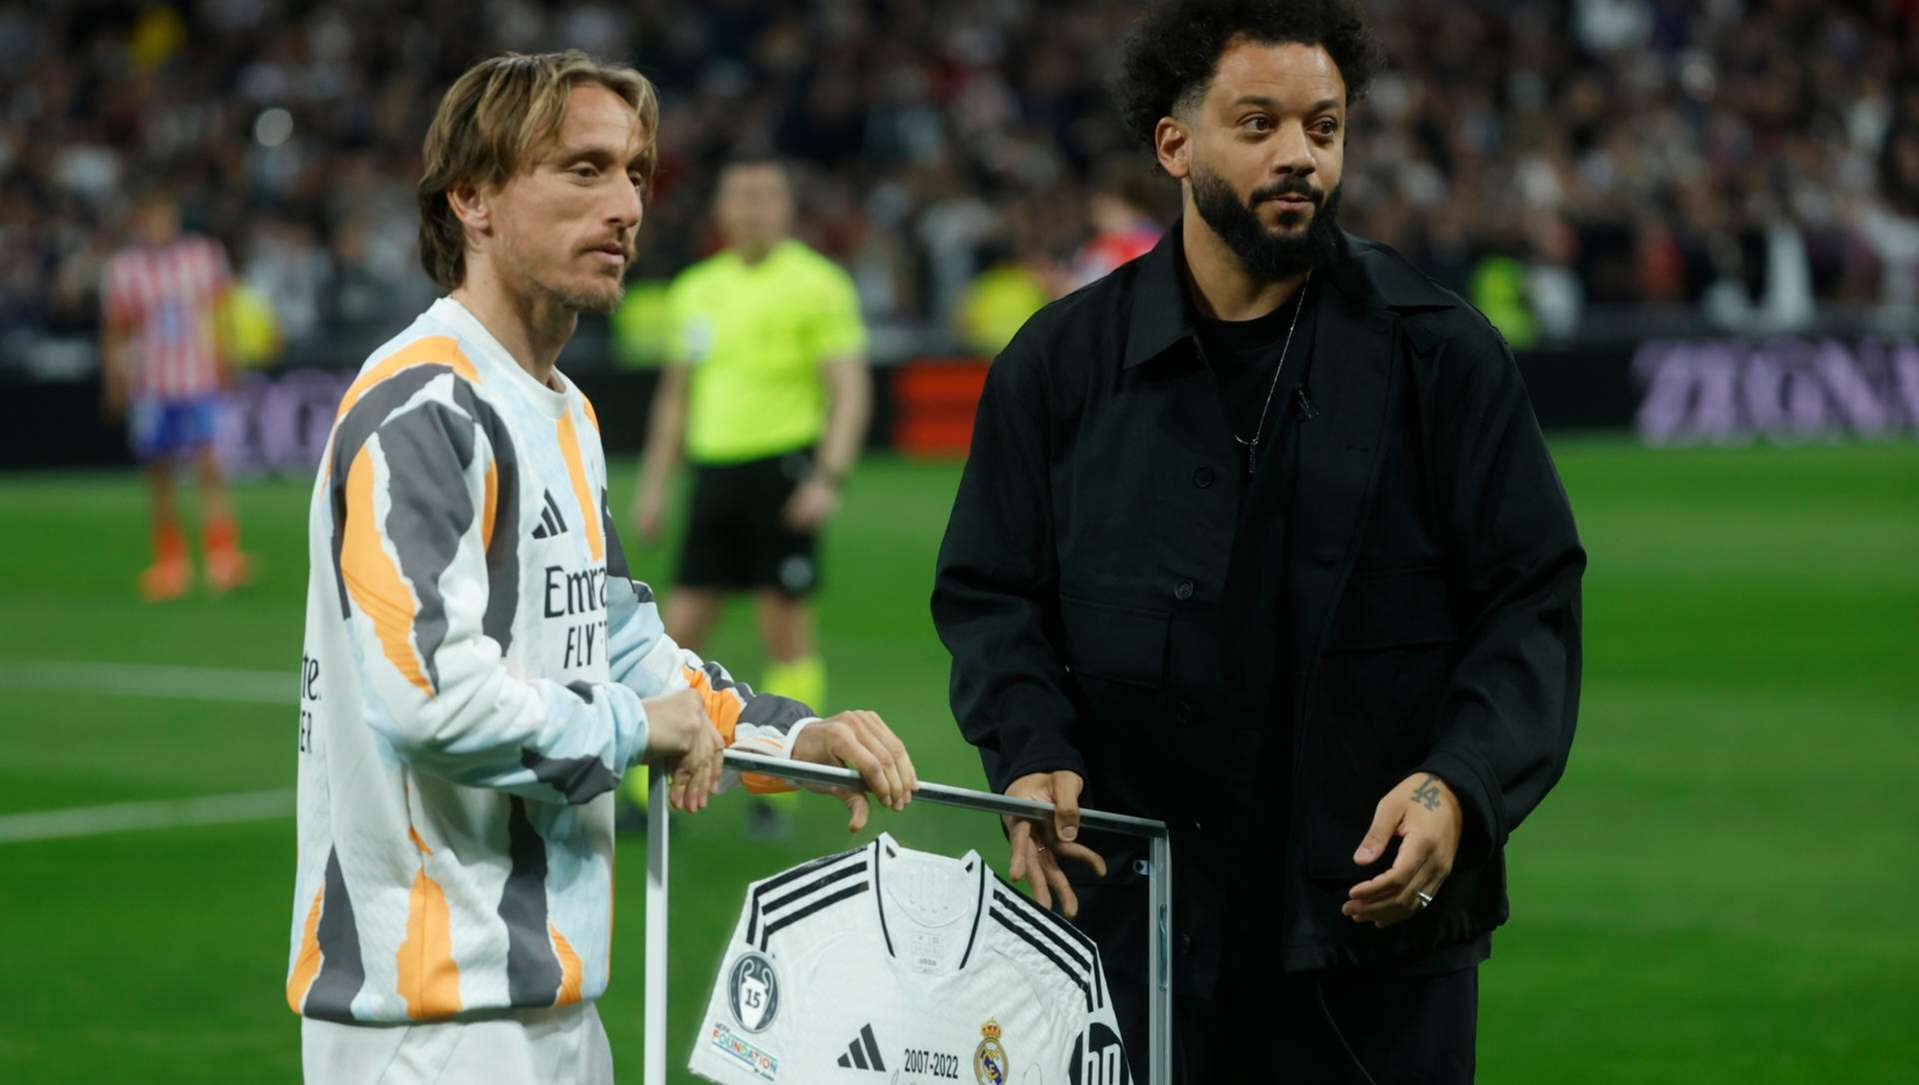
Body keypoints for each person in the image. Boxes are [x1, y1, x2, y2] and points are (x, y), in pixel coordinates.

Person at [930, 2, 1585, 1081]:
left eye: (1322, 128)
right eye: (1258, 124)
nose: (1298, 157)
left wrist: (1458, 783)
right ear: (1173, 143)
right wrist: (1029, 744)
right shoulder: (1058, 365)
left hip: (1377, 940)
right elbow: (991, 593)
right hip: (1133, 936)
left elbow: (1533, 600)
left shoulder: (1443, 354)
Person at [287, 52, 917, 1084]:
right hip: (429, 1014)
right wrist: (635, 730)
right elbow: (429, 699)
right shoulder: (424, 405)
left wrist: (791, 737)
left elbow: (626, 645)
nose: (626, 204)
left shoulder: (563, 414)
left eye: (633, 173)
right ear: (474, 197)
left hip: (549, 995)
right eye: (582, 170)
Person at [629, 153, 873, 837]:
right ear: (721, 209)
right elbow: (674, 397)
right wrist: (654, 484)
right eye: (741, 196)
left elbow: (848, 387)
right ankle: (642, 780)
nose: (754, 208)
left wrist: (827, 475)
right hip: (714, 477)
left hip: (782, 473)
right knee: (672, 636)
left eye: (767, 196)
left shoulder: (817, 284)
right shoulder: (696, 289)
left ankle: (783, 791)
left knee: (784, 631)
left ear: (787, 207)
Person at [100, 185, 251, 600]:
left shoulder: (202, 256)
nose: (157, 226)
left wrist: (228, 359)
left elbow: (222, 312)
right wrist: (115, 380)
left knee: (209, 466)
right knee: (159, 475)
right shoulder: (125, 269)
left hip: (197, 379)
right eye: (150, 218)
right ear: (139, 222)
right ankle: (171, 562)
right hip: (151, 385)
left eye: (163, 217)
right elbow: (116, 330)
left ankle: (222, 556)